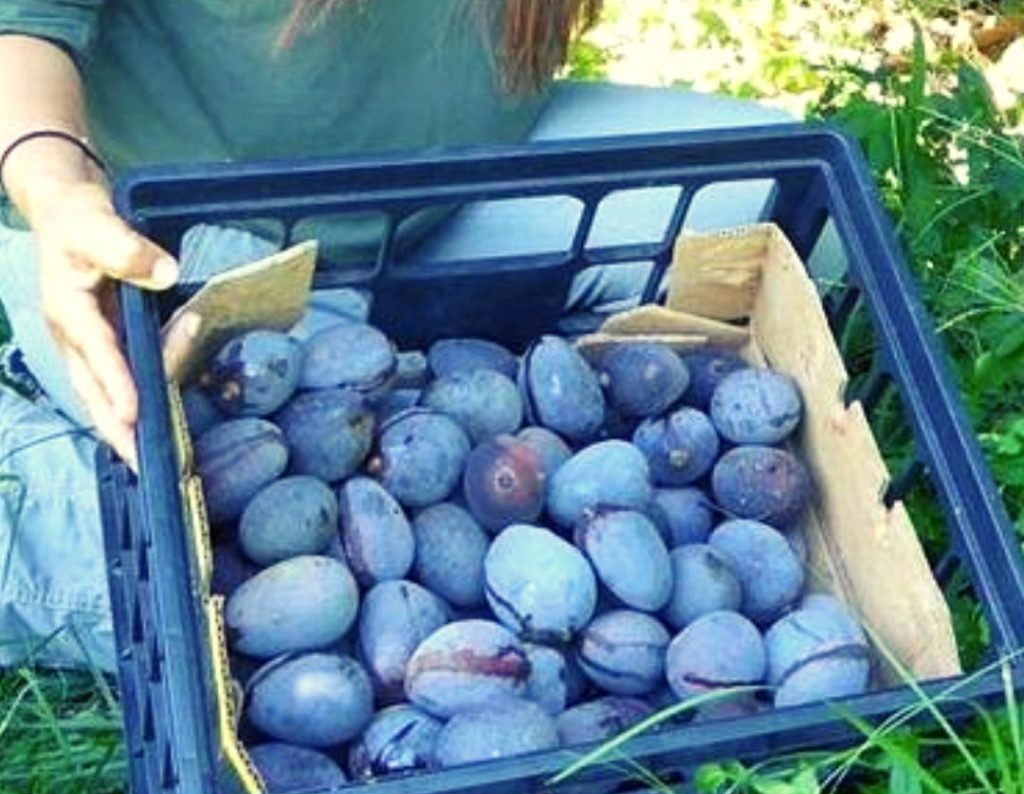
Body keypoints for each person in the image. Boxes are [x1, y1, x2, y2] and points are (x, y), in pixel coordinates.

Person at [0, 0, 791, 672]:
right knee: (276, 589)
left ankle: (415, 368)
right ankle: (34, 494)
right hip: (187, 238)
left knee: (778, 218)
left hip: (439, 192)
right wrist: (58, 187)